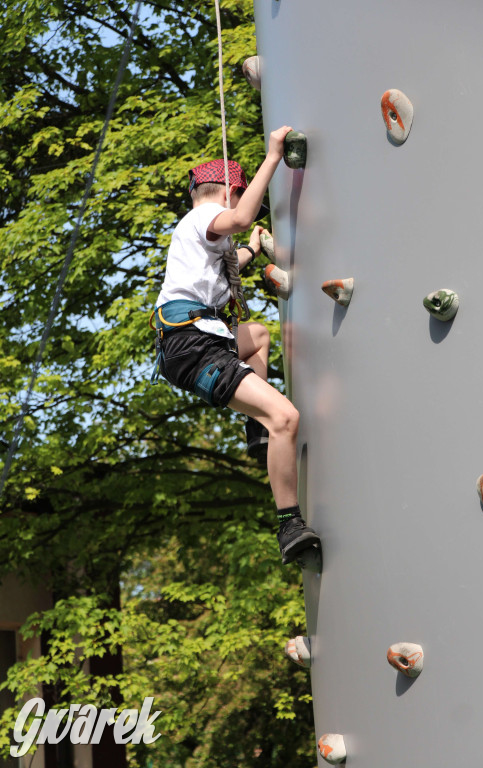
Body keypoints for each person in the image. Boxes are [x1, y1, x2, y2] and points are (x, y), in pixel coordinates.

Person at [154, 125, 320, 565]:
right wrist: (272, 157)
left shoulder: (198, 241)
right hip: (194, 343)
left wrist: (249, 251)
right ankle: (289, 523)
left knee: (259, 336)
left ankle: (255, 431)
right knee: (286, 417)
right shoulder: (198, 219)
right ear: (227, 193)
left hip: (194, 341)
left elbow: (230, 258)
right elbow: (242, 217)